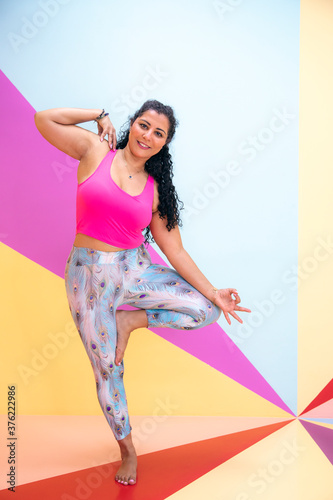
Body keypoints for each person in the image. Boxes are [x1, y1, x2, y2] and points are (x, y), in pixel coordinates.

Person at [34, 100, 251, 487]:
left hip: (134, 270)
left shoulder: (154, 191)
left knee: (205, 309)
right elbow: (43, 119)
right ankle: (128, 449)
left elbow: (175, 251)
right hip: (87, 278)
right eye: (144, 125)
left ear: (164, 144)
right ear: (131, 125)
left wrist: (215, 292)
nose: (147, 136)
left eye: (158, 133)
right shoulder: (95, 151)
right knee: (107, 368)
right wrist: (97, 115)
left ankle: (132, 320)